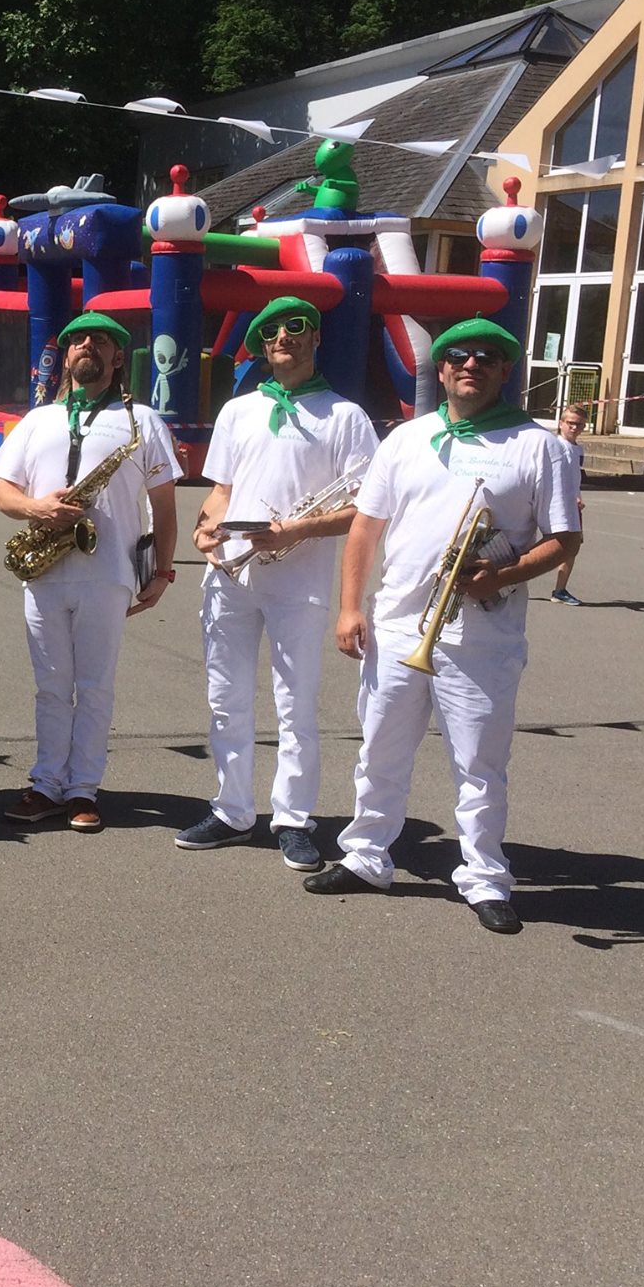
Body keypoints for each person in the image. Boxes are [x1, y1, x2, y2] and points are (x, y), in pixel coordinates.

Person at [304, 318, 581, 935]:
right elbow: (365, 528)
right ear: (443, 368)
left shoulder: (542, 447)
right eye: (458, 356)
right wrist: (351, 607)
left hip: (483, 635)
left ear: (505, 371)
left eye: (487, 357)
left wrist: (501, 574)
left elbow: (565, 539)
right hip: (399, 625)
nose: (470, 365)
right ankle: (367, 855)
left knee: (480, 764)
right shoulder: (406, 438)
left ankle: (484, 878)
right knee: (379, 751)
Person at [180, 298, 380, 866]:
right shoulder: (238, 410)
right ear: (262, 344)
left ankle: (292, 818)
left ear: (315, 338)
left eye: (296, 327)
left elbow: (367, 506)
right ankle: (232, 810)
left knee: (296, 706)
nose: (283, 337)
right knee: (227, 700)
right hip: (231, 575)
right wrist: (205, 530)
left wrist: (298, 529)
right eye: (271, 330)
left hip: (300, 581)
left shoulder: (345, 417)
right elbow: (221, 490)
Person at [0, 312, 180, 830]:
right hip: (45, 569)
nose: (86, 345)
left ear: (119, 357)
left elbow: (164, 506)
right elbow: (3, 492)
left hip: (108, 570)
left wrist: (163, 573)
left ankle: (82, 788)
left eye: (101, 340)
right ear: (66, 353)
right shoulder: (37, 420)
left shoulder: (143, 422)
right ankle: (47, 782)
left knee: (94, 685)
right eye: (77, 339)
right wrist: (38, 509)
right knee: (50, 684)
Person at [550, 402, 588, 605]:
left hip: (573, 504)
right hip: (556, 502)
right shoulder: (556, 445)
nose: (574, 428)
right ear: (561, 423)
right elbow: (556, 476)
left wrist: (577, 496)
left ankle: (560, 590)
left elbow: (574, 478)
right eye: (571, 423)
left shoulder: (577, 449)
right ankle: (506, 581)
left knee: (572, 546)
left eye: (580, 425)